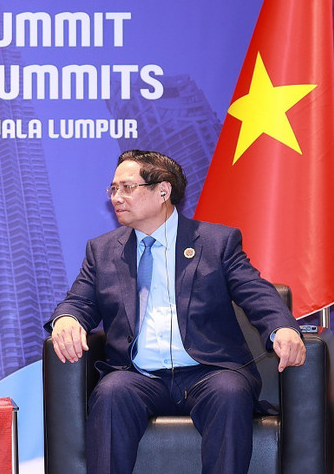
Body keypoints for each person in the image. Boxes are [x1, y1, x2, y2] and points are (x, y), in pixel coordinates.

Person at [45, 150, 306, 474]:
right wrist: (67, 318)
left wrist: (282, 328)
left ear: (163, 192)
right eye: (113, 189)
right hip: (137, 376)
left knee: (229, 391)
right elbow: (79, 301)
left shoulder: (216, 242)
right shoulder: (103, 250)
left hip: (209, 371)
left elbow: (255, 291)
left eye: (127, 187)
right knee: (110, 393)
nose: (117, 198)